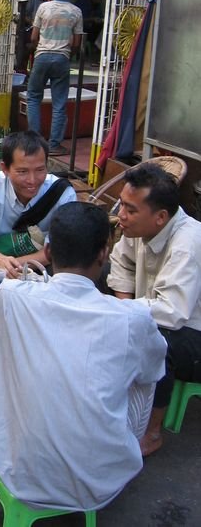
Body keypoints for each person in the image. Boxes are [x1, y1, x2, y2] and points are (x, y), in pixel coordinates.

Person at [0, 202, 167, 512]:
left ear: (50, 252)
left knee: (4, 349)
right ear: (103, 253)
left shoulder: (12, 296)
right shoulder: (133, 319)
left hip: (14, 468)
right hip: (95, 486)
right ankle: (133, 444)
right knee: (145, 378)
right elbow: (151, 373)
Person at [107, 163, 201, 457]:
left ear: (161, 217)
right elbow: (120, 262)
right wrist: (123, 305)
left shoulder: (188, 242)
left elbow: (173, 312)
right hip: (153, 309)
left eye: (131, 210)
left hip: (192, 332)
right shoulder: (134, 229)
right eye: (122, 204)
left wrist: (122, 312)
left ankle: (151, 432)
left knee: (159, 342)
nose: (121, 215)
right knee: (98, 273)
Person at [0, 131, 76, 276]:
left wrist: (5, 268)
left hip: (35, 263)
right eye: (22, 171)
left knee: (61, 270)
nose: (32, 180)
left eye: (40, 170)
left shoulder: (62, 193)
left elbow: (55, 250)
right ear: (5, 169)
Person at [27, 0, 83, 156]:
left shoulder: (43, 8)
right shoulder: (76, 11)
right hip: (62, 58)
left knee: (34, 97)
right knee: (59, 103)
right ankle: (54, 145)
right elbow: (76, 43)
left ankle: (34, 142)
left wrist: (39, 48)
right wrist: (67, 53)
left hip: (42, 56)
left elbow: (34, 36)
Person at [15, 0, 55, 72]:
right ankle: (21, 69)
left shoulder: (57, 4)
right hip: (31, 31)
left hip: (48, 35)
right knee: (24, 43)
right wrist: (31, 21)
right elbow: (20, 14)